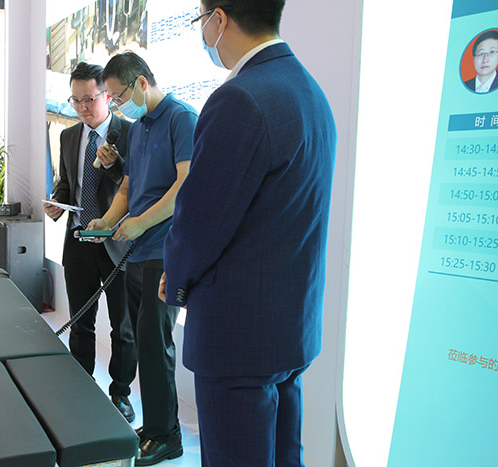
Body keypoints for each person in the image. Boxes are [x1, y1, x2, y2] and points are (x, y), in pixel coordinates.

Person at [160, 1, 337, 466]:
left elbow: (200, 222)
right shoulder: (309, 91)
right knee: (284, 456)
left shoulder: (239, 98)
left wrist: (176, 279)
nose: (202, 33)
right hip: (289, 328)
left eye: (200, 20)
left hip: (237, 337)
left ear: (219, 19)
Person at [89, 51, 198, 466]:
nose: (116, 105)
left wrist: (139, 223)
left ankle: (167, 435)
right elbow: (127, 188)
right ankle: (154, 426)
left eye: (118, 96)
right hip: (137, 250)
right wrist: (109, 220)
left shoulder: (181, 119)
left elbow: (184, 186)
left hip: (166, 249)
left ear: (140, 83)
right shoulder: (138, 129)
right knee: (142, 340)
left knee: (156, 344)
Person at [43, 62, 137, 422]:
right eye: (76, 100)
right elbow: (68, 183)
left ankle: (121, 393)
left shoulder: (130, 133)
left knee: (122, 327)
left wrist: (113, 165)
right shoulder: (69, 136)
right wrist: (58, 201)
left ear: (106, 96)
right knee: (81, 320)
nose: (82, 107)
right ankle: (82, 388)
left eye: (89, 99)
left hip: (117, 242)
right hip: (79, 239)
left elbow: (135, 185)